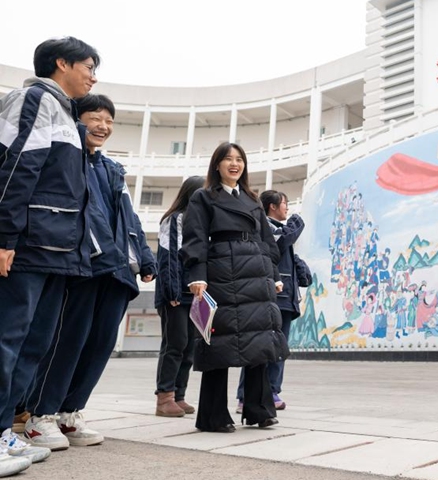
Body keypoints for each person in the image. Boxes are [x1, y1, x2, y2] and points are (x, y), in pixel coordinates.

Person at [24, 94, 156, 451]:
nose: (103, 127)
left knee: (98, 346)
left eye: (109, 121)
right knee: (67, 342)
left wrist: (144, 257)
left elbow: (129, 219)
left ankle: (70, 412)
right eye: (95, 118)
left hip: (117, 272)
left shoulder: (112, 169)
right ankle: (40, 416)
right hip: (83, 266)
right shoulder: (69, 160)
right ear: (76, 120)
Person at [0, 36, 100, 470]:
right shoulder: (36, 99)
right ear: (62, 63)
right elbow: (17, 166)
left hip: (55, 250)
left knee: (33, 345)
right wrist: (5, 236)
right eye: (89, 66)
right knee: (7, 339)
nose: (93, 77)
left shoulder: (65, 113)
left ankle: (5, 432)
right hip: (27, 244)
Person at [181, 142, 287, 433]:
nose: (234, 164)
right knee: (220, 343)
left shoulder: (252, 199)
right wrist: (197, 275)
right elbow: (195, 238)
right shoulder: (203, 197)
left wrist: (274, 273)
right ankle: (213, 416)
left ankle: (258, 409)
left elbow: (267, 242)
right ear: (217, 165)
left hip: (256, 272)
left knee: (259, 342)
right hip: (221, 272)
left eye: (239, 159)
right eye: (227, 159)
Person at [236, 191, 305, 412]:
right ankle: (247, 395)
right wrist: (296, 224)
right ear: (272, 206)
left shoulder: (277, 227)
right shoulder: (265, 225)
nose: (288, 208)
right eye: (285, 203)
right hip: (272, 295)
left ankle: (271, 391)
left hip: (286, 299)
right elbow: (278, 245)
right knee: (258, 347)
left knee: (278, 348)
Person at [153, 176, 205, 417]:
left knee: (189, 347)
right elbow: (168, 258)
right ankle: (164, 398)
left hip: (194, 295)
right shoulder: (174, 220)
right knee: (174, 344)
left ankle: (179, 395)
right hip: (174, 294)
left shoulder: (201, 221)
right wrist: (172, 292)